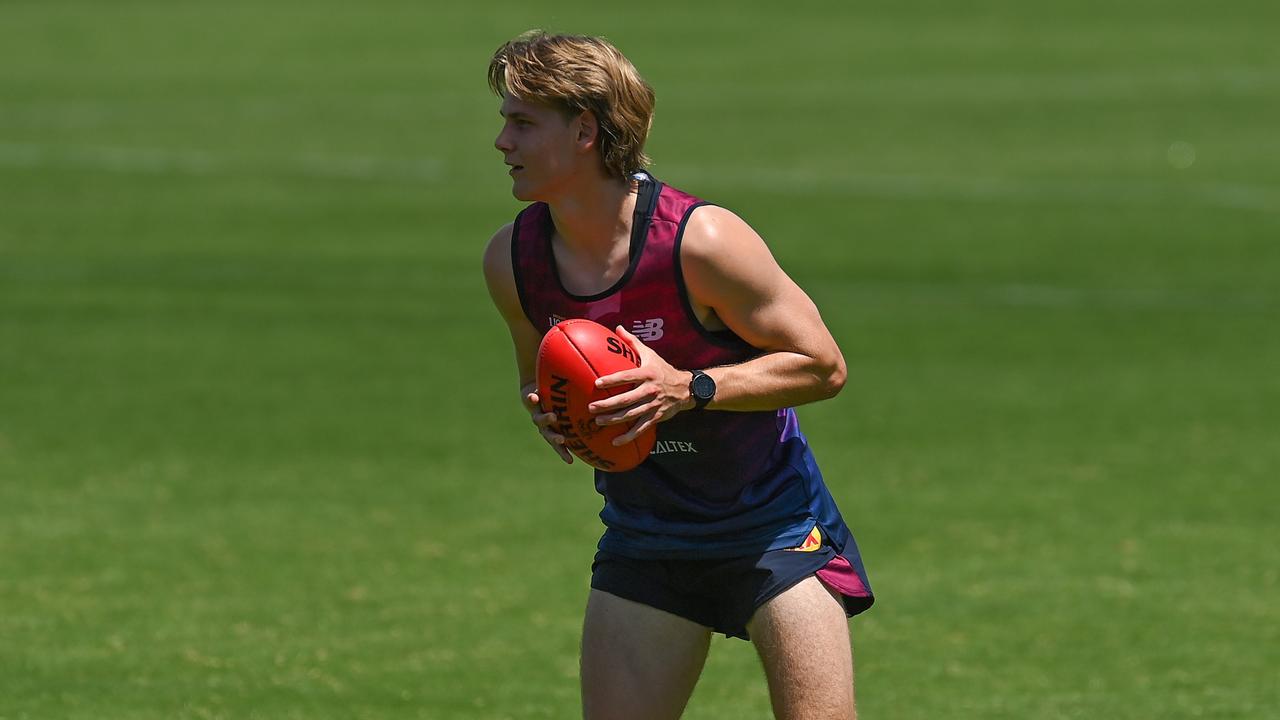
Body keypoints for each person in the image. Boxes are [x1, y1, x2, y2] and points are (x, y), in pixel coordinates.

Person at [482, 30, 874, 720]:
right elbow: (537, 380)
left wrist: (688, 388)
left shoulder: (700, 241)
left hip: (774, 533)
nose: (501, 142)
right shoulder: (514, 263)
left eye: (521, 122)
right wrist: (550, 412)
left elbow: (822, 366)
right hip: (645, 540)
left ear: (583, 130)